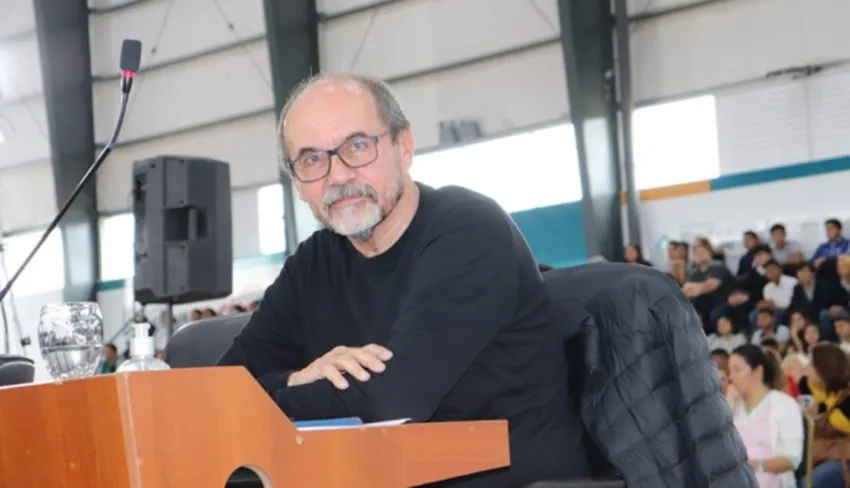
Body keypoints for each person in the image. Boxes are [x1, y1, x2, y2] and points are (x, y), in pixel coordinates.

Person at [217, 73, 588, 487]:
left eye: (358, 146)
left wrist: (265, 400)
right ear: (296, 183)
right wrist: (295, 379)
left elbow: (390, 402)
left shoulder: (468, 231)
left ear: (404, 146)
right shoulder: (313, 263)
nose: (337, 175)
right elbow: (219, 395)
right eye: (311, 160)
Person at [728, 344, 803, 488]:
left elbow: (792, 459)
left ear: (758, 372)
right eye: (730, 371)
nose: (731, 377)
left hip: (768, 479)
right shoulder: (734, 406)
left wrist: (755, 465)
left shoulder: (784, 404)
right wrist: (728, 410)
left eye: (737, 370)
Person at [798, 343, 850, 488]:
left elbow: (831, 425)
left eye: (811, 364)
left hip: (844, 458)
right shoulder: (817, 391)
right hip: (825, 455)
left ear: (823, 368)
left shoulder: (846, 402)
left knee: (809, 483)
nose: (806, 368)